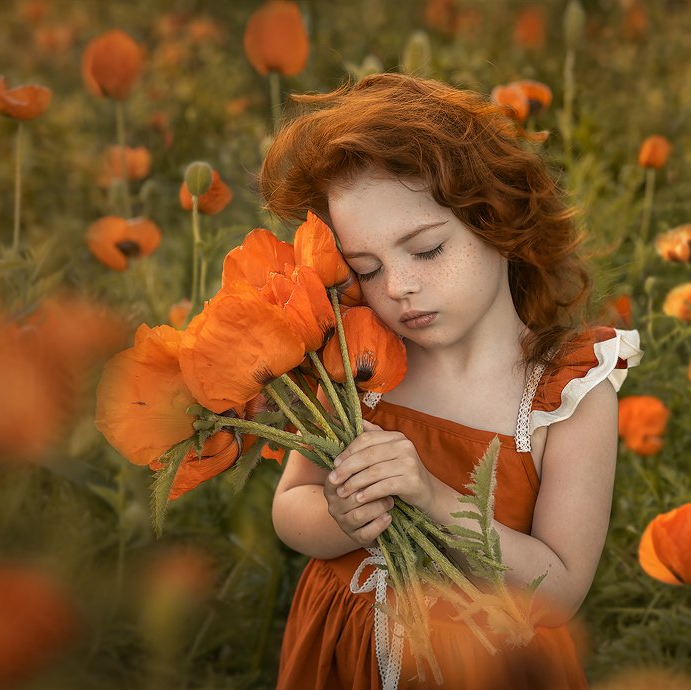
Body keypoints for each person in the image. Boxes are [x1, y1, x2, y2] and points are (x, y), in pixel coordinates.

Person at [259, 73, 641, 690]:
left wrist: (432, 500)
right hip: (345, 657)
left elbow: (560, 588)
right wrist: (342, 520)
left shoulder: (566, 394)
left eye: (427, 250)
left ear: (498, 221)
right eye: (368, 268)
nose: (398, 287)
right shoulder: (359, 363)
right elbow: (289, 507)